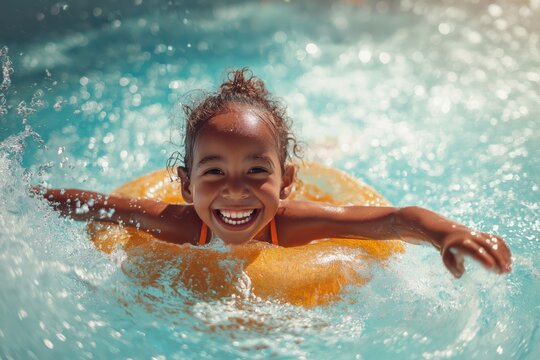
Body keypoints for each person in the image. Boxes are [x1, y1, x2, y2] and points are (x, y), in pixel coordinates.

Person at [34, 68, 511, 279]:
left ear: (285, 183)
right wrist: (24, 196)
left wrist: (448, 233)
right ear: (186, 184)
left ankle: (334, 145)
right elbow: (92, 204)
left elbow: (391, 219)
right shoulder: (179, 223)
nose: (235, 191)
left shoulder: (295, 223)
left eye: (256, 171)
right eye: (214, 171)